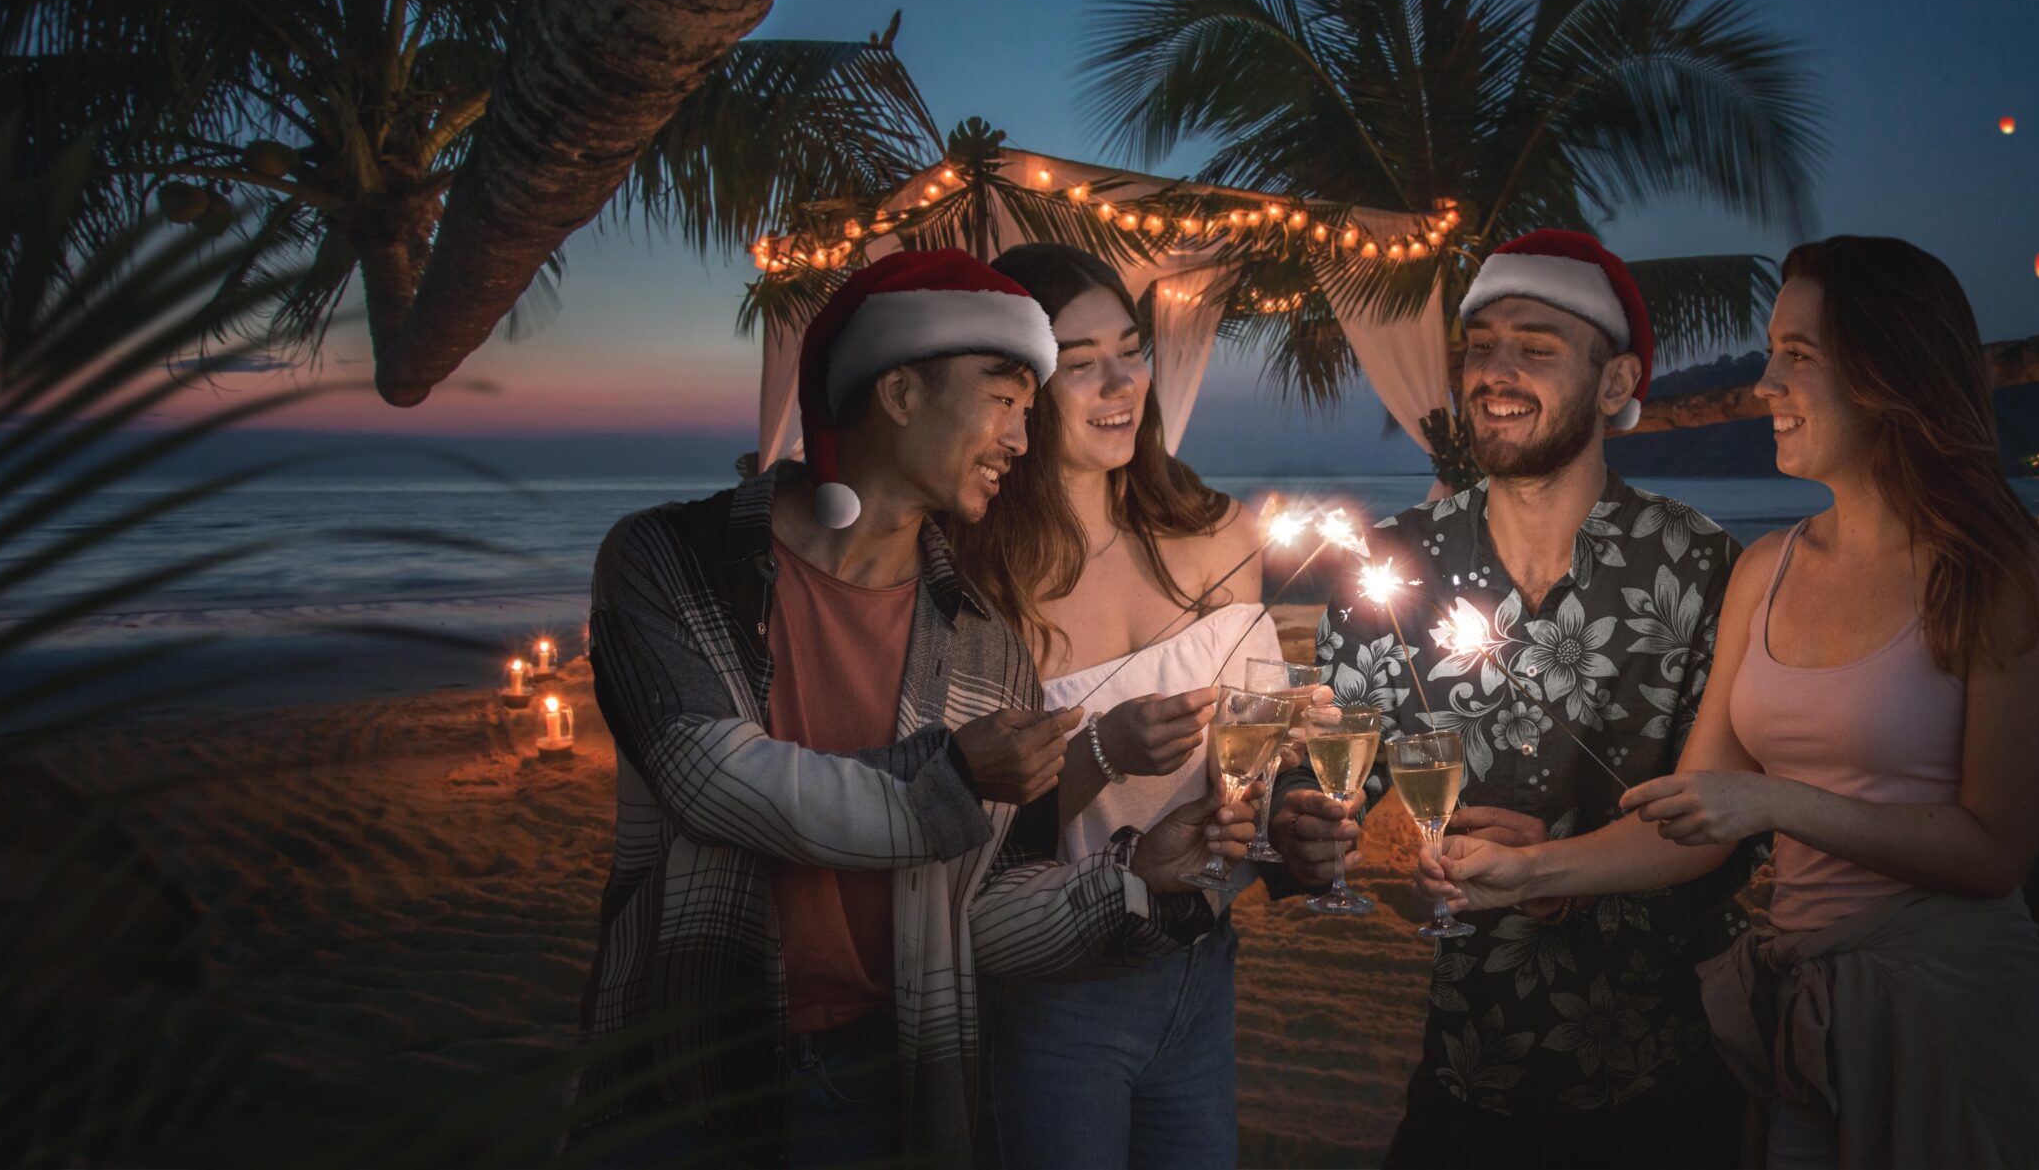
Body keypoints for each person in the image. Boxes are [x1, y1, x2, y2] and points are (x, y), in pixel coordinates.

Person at [1422, 235, 2039, 1170]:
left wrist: (1781, 802)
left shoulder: (2000, 575)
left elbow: (1997, 851)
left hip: (1950, 1012)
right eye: (1771, 351)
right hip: (1800, 1016)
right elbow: (1702, 817)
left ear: (1889, 373)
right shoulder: (1767, 568)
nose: (1763, 383)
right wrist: (1535, 870)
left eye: (1799, 355)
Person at [573, 249, 1257, 1169]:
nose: (1022, 438)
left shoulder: (980, 639)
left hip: (886, 1075)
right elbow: (712, 780)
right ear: (898, 393)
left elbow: (979, 907)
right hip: (686, 1057)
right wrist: (955, 780)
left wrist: (1146, 885)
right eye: (1004, 399)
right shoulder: (671, 560)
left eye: (1029, 406)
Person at [1270, 229, 1764, 1170]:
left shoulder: (1701, 566)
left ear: (1616, 385)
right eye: (1481, 343)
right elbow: (1368, 842)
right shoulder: (1386, 564)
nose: (1495, 369)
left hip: (1666, 1075)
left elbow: (1723, 830)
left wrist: (1548, 872)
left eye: (1536, 346)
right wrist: (1358, 852)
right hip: (1465, 1073)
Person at [949, 243, 1278, 1170]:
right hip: (1055, 988)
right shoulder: (982, 579)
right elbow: (972, 836)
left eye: (1129, 350)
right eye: (1078, 360)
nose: (1119, 381)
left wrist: (1294, 798)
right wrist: (1100, 750)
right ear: (1015, 388)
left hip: (1203, 962)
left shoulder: (1220, 534)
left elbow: (1258, 771)